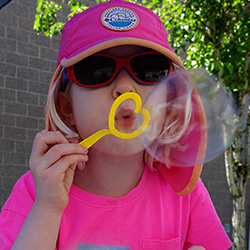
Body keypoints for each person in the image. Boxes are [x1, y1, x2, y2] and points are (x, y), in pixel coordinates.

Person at [0, 0, 232, 249]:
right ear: (67, 108)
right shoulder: (38, 191)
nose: (125, 87)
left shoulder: (184, 191)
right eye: (98, 70)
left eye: (149, 70)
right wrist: (47, 208)